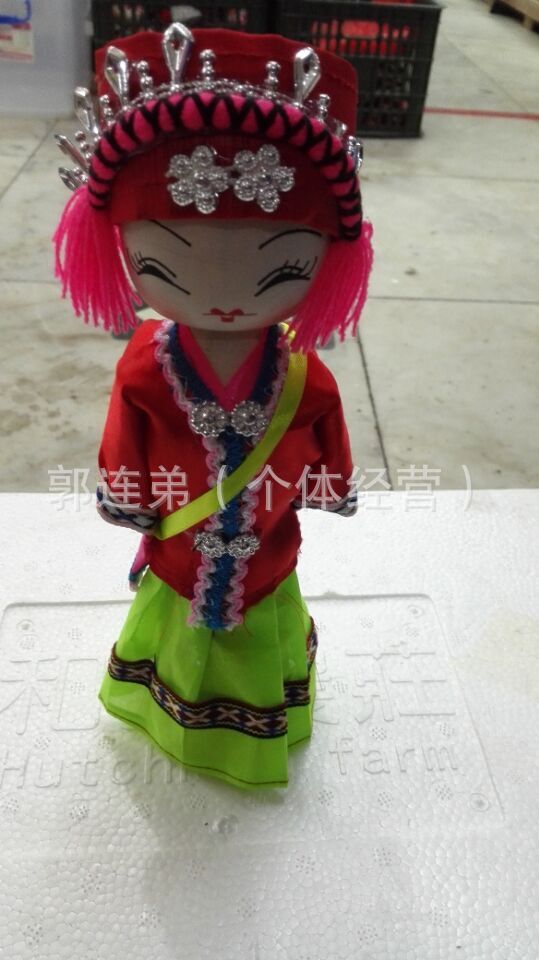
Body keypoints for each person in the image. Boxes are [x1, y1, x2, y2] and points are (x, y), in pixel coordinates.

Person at [52, 23, 373, 790]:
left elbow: (324, 429)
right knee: (183, 620)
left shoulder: (302, 375)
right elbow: (126, 440)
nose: (224, 301)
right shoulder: (147, 365)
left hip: (264, 543)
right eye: (164, 264)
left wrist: (323, 482)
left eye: (280, 269)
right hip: (181, 544)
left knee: (255, 612)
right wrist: (132, 498)